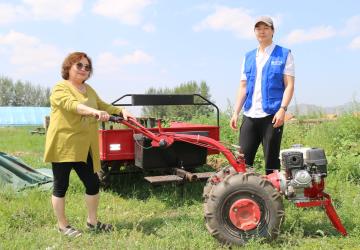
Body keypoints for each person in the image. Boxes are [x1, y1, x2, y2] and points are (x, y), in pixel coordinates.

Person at [44, 52, 133, 237]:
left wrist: (121, 110)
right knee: (61, 185)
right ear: (68, 67)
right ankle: (63, 225)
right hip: (64, 145)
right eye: (79, 65)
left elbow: (103, 105)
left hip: (86, 146)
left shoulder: (89, 89)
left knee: (92, 183)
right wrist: (93, 112)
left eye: (87, 67)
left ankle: (92, 222)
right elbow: (72, 105)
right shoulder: (60, 88)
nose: (84, 69)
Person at [230, 16, 295, 175]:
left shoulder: (284, 54)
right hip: (250, 115)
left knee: (272, 162)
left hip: (272, 116)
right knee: (242, 160)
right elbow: (243, 87)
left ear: (272, 31)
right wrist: (236, 112)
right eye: (258, 28)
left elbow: (289, 85)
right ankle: (245, 195)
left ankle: (273, 197)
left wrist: (282, 109)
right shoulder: (248, 57)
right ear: (254, 32)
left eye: (266, 28)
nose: (262, 31)